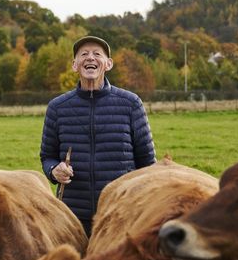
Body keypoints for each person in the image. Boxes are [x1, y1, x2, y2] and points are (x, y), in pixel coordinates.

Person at [40, 35, 156, 235]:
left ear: (108, 64)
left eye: (97, 54)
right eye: (84, 54)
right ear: (75, 65)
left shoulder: (130, 104)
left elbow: (148, 163)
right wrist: (53, 170)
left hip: (120, 213)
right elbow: (47, 157)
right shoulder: (57, 108)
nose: (90, 58)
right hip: (72, 217)